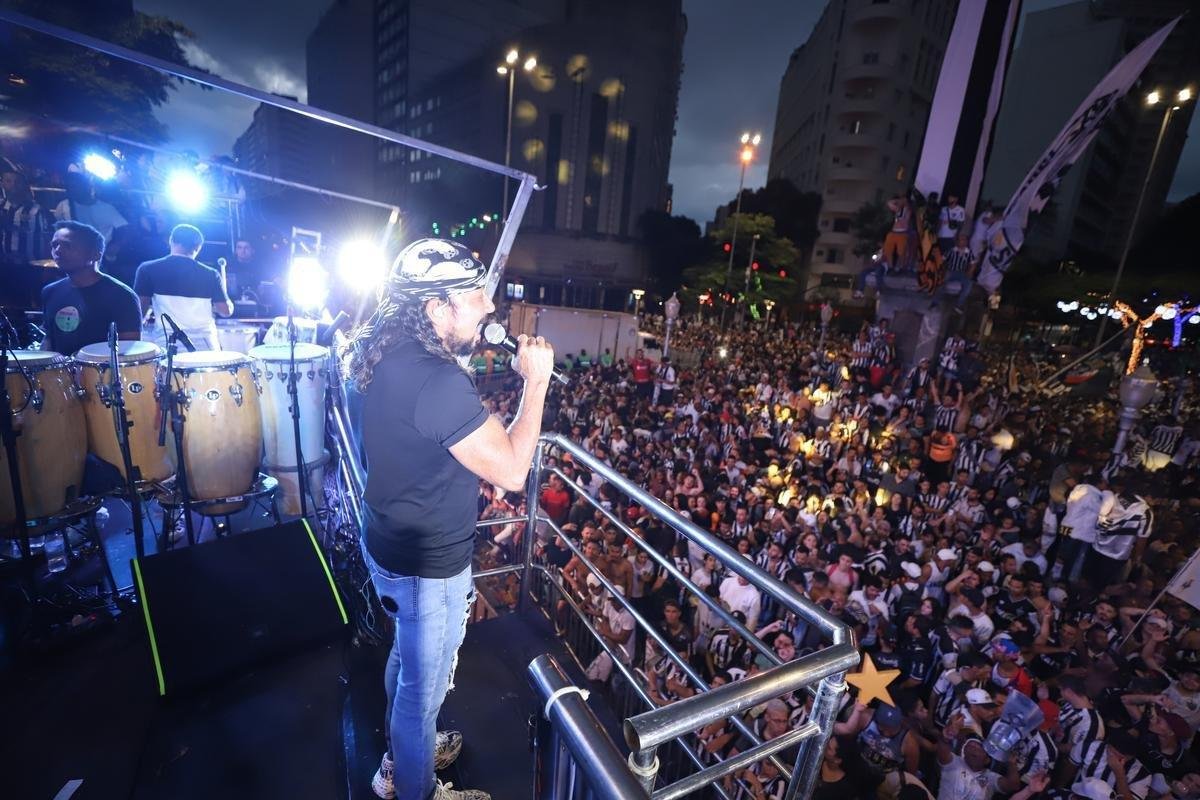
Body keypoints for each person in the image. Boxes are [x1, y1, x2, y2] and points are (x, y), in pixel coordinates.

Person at [342, 238, 554, 800]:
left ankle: (400, 758)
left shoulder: (387, 349)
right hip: (426, 563)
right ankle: (415, 787)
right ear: (436, 308)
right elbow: (511, 471)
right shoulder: (435, 381)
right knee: (423, 690)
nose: (489, 306)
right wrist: (536, 383)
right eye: (475, 294)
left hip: (391, 542)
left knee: (406, 661)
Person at [40, 220, 141, 355]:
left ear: (95, 254)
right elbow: (49, 338)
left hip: (100, 375)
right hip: (58, 375)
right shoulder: (50, 291)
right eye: (54, 245)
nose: (57, 250)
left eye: (67, 245)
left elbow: (129, 349)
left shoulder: (122, 296)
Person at [134, 224, 232, 351]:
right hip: (205, 345)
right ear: (198, 247)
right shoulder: (211, 274)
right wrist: (227, 298)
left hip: (168, 344)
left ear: (171, 241)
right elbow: (226, 311)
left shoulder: (147, 269)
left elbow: (138, 311)